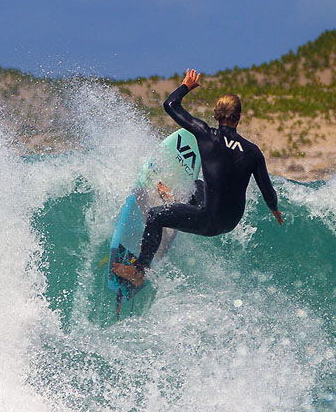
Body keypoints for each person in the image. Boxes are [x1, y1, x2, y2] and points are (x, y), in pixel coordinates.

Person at [112, 68, 284, 289]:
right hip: (230, 222)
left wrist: (187, 86)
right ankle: (177, 203)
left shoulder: (206, 134)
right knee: (197, 185)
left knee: (155, 216)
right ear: (239, 117)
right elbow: (268, 192)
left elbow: (170, 105)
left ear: (215, 114)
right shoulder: (253, 151)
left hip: (207, 220)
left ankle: (139, 272)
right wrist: (275, 210)